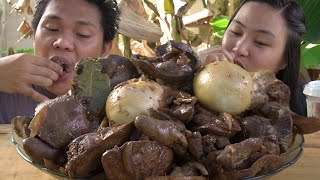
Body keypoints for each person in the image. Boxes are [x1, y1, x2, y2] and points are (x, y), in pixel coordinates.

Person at [0, 0, 120, 123]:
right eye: (51, 28)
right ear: (34, 35)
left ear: (104, 49)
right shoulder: (4, 84)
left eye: (83, 34)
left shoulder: (118, 102)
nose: (62, 43)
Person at [198, 0, 307, 116]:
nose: (239, 49)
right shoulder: (187, 96)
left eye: (261, 42)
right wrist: (192, 75)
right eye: (236, 32)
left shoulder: (309, 107)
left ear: (285, 60)